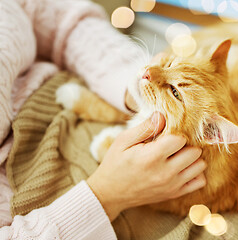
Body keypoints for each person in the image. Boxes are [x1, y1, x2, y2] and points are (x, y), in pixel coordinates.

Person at [0, 0, 206, 239]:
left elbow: (63, 21)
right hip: (56, 205)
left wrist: (130, 87)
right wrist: (106, 196)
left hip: (76, 90)